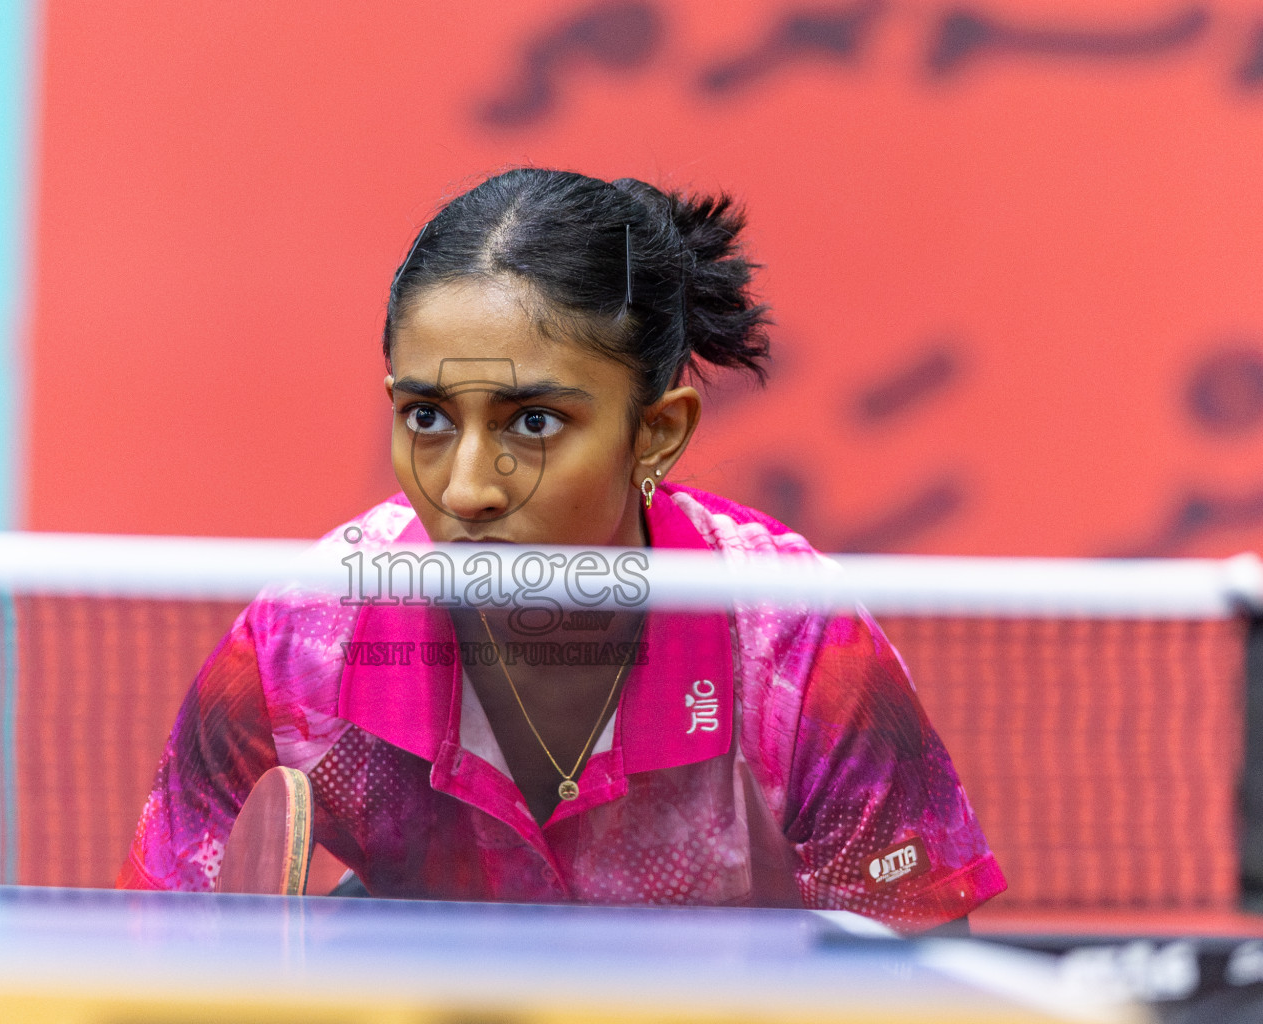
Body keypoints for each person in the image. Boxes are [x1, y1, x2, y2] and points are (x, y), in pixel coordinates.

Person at [117, 168, 1005, 930]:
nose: (466, 488)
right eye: (426, 417)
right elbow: (151, 965)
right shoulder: (301, 648)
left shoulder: (791, 648)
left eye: (533, 423)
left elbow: (922, 973)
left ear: (656, 433)